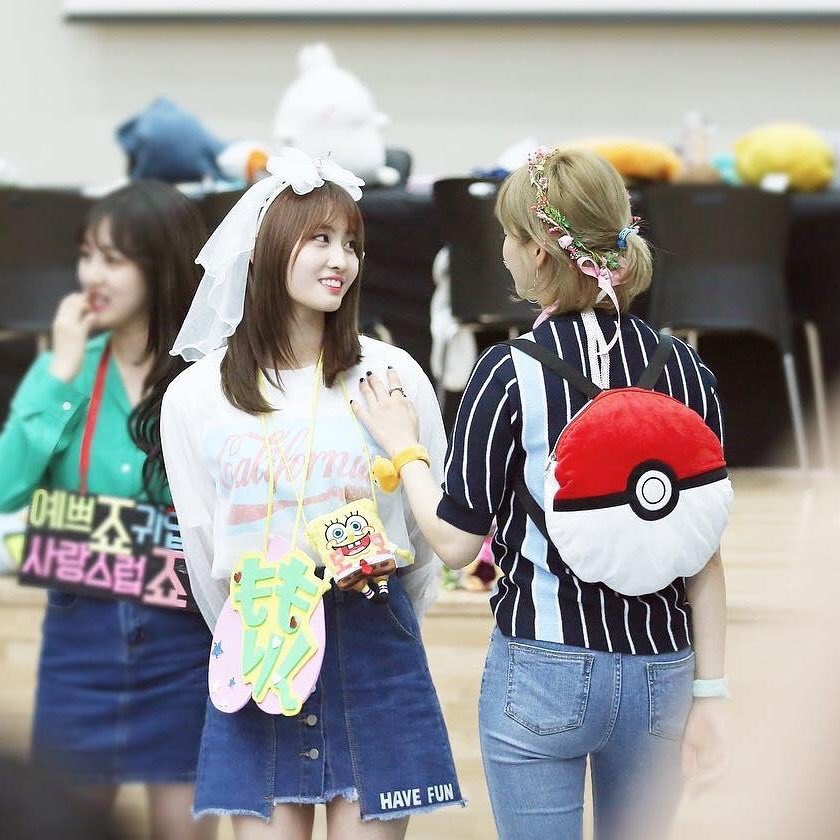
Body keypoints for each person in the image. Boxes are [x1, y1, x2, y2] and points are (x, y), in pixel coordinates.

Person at [353, 147, 728, 839]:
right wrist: (712, 693)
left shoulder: (506, 373)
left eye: (507, 234)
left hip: (542, 666)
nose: (502, 248)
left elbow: (457, 543)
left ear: (537, 252)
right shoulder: (687, 372)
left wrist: (404, 448)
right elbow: (702, 552)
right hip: (663, 675)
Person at [158, 148, 463, 840]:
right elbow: (202, 547)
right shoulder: (197, 395)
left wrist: (385, 621)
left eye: (351, 243)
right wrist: (255, 629)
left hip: (371, 632)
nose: (340, 260)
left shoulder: (390, 375)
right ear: (267, 249)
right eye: (319, 239)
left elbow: (424, 529)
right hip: (261, 638)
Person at [0, 181, 216, 840]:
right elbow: (6, 487)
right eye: (87, 255)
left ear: (162, 265)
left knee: (182, 830)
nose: (92, 275)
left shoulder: (209, 377)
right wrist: (60, 372)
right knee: (67, 823)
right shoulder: (66, 369)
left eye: (114, 259)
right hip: (81, 644)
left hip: (185, 643)